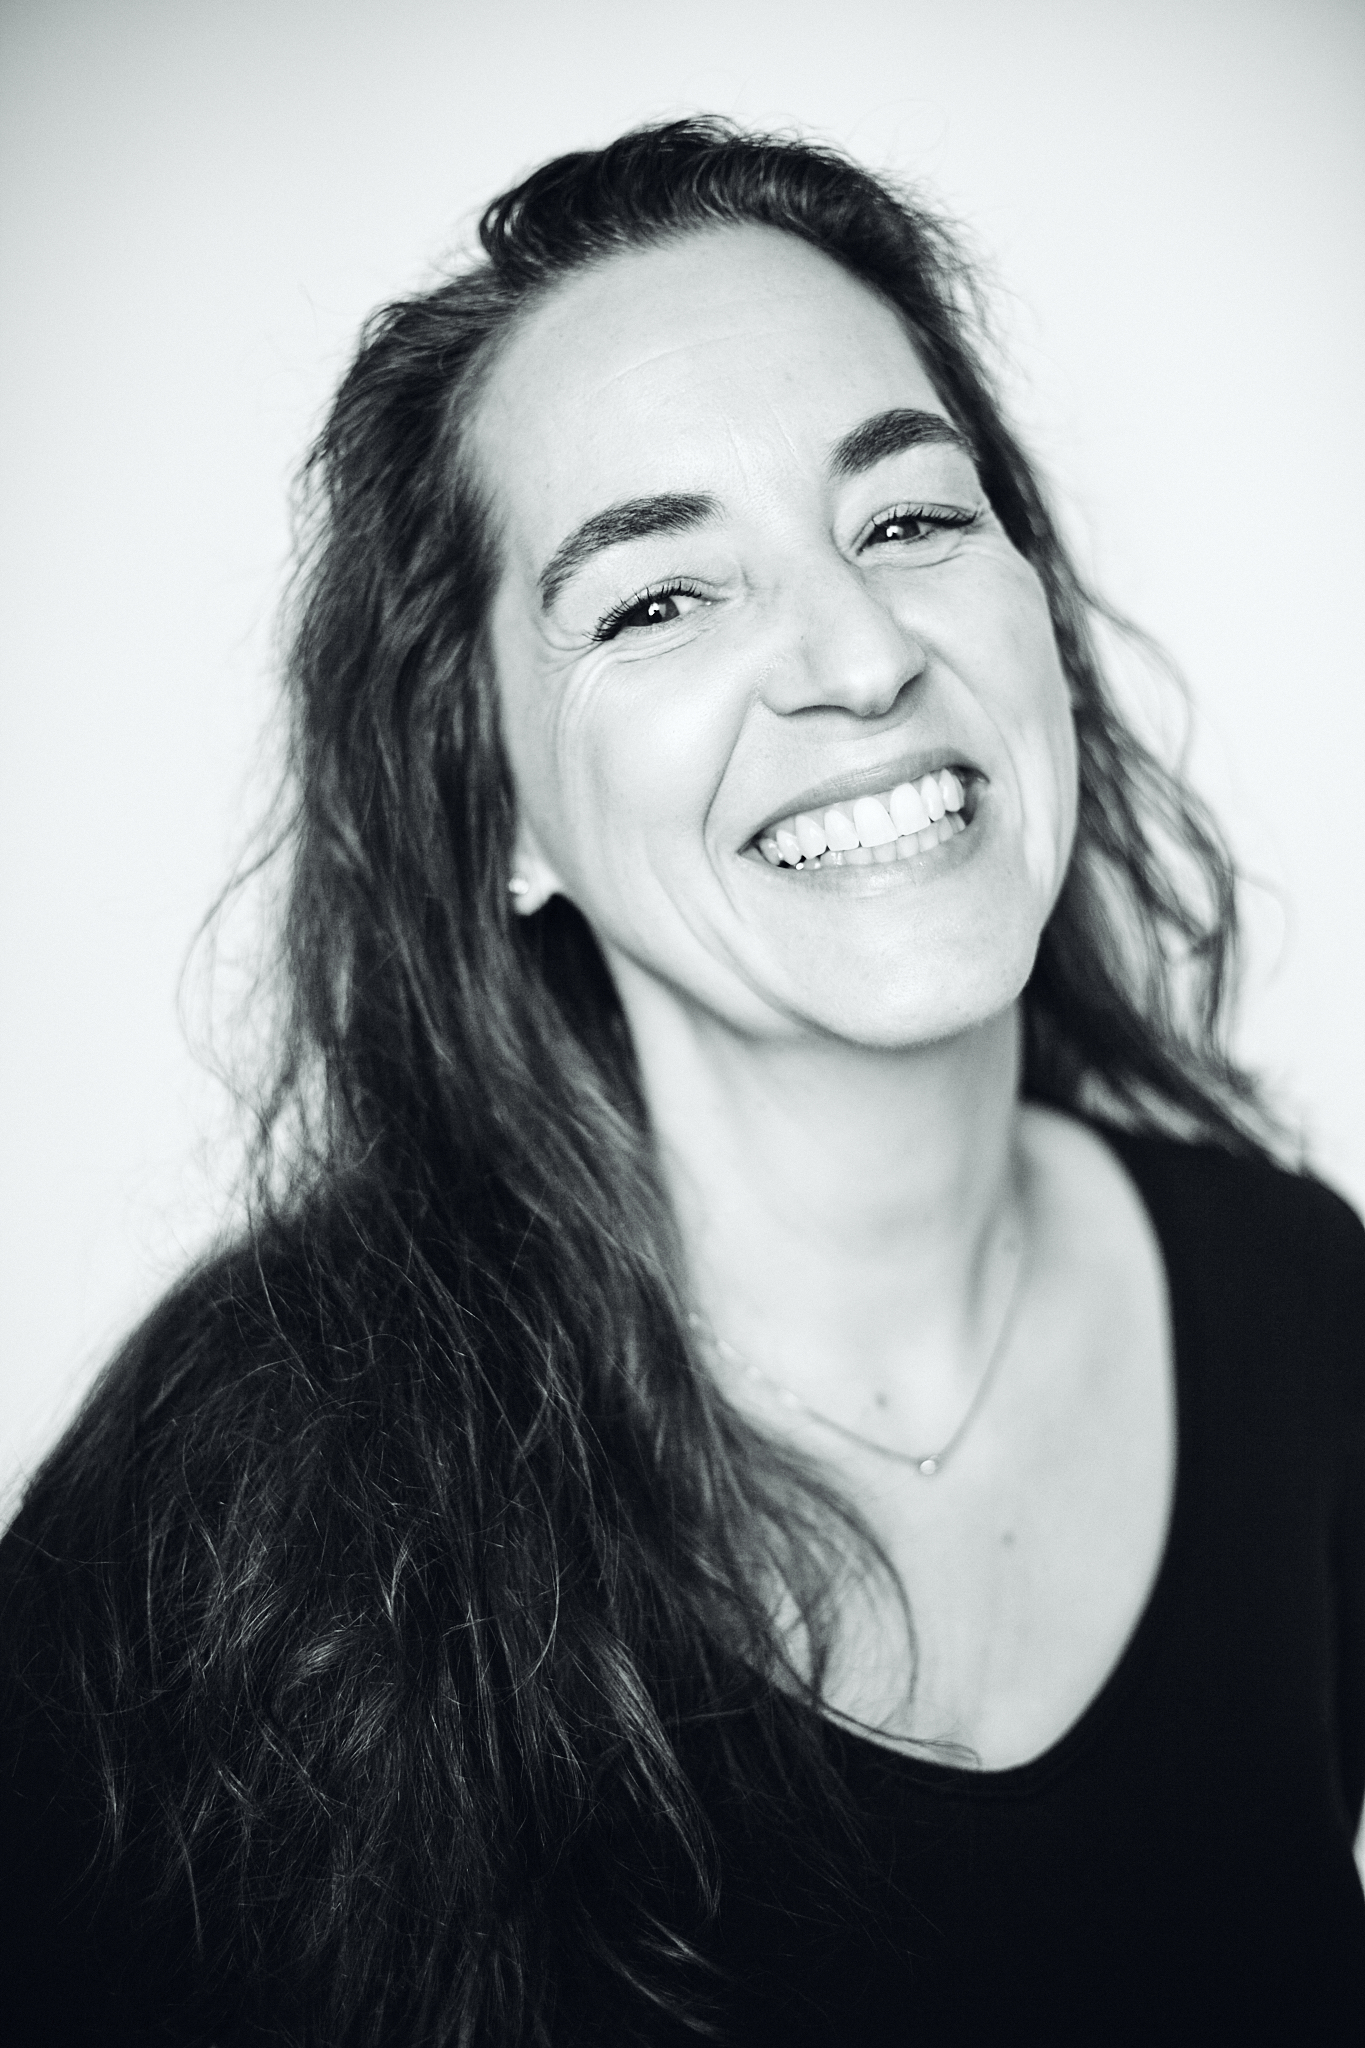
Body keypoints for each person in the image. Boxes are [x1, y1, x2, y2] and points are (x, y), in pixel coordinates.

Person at [1, 116, 1361, 2047]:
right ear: (493, 808)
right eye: (656, 599)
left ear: (1037, 608)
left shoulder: (1301, 1309)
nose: (858, 657)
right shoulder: (243, 1498)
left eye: (909, 520)